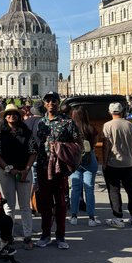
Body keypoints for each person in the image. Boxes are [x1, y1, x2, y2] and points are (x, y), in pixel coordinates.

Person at [36, 91, 81, 250]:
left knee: (61, 202)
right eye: (48, 101)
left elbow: (78, 143)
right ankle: (45, 234)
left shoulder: (67, 122)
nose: (50, 104)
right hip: (43, 165)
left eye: (54, 101)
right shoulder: (41, 122)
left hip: (60, 167)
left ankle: (60, 235)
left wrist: (61, 149)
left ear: (58, 103)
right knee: (45, 201)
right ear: (44, 103)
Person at [0, 104, 37, 250]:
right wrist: (7, 169)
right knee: (9, 206)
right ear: (5, 117)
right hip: (7, 172)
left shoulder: (26, 133)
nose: (12, 116)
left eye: (14, 114)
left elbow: (33, 152)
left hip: (24, 171)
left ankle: (27, 236)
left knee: (24, 206)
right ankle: (7, 235)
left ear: (19, 116)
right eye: (9, 114)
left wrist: (26, 169)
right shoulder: (0, 135)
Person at [102, 102, 132, 228]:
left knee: (114, 191)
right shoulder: (130, 126)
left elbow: (106, 147)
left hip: (113, 163)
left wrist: (104, 162)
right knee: (131, 191)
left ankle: (118, 217)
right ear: (122, 112)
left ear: (109, 112)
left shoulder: (107, 126)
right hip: (128, 163)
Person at [68, 106, 101, 227]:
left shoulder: (71, 128)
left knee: (75, 188)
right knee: (89, 188)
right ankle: (91, 218)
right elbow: (95, 142)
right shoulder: (91, 129)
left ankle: (74, 216)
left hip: (75, 159)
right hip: (89, 158)